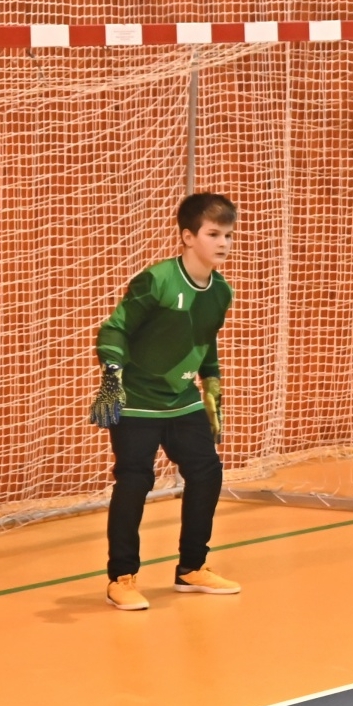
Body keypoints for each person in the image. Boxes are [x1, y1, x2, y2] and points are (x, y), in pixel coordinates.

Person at [91, 192, 243, 611]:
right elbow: (115, 329)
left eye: (228, 235)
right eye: (213, 234)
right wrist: (112, 375)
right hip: (137, 400)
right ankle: (121, 578)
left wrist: (212, 386)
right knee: (135, 481)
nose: (223, 243)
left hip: (183, 400)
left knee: (207, 472)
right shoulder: (156, 280)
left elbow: (204, 342)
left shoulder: (221, 291)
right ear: (188, 237)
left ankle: (192, 568)